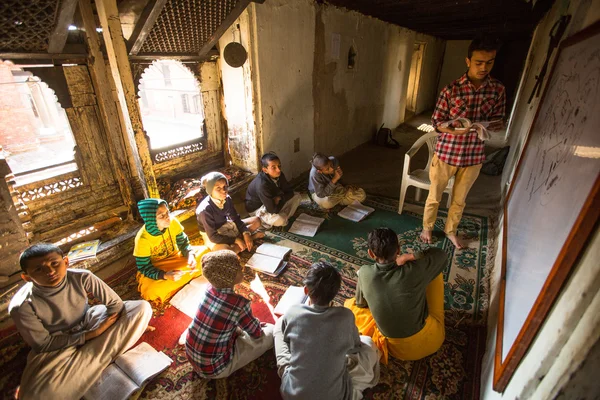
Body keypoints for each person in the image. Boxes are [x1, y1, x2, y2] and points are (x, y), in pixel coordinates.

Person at [9, 243, 152, 399]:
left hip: (87, 319)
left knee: (141, 309)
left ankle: (84, 368)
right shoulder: (21, 305)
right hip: (57, 341)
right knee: (35, 396)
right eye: (39, 269)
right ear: (27, 277)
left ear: (66, 262)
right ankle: (101, 355)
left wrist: (104, 324)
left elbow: (115, 305)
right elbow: (43, 344)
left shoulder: (82, 276)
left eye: (54, 263)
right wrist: (92, 335)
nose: (50, 271)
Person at [422, 35, 506, 249]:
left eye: (489, 62)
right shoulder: (451, 90)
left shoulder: (497, 90)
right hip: (446, 153)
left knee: (459, 200)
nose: (484, 67)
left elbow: (499, 121)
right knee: (434, 196)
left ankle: (451, 231)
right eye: (479, 62)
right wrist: (451, 129)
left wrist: (486, 126)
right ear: (468, 61)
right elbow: (436, 122)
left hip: (473, 156)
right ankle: (427, 228)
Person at [274, 262, 380, 400]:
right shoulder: (346, 316)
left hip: (292, 394)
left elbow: (287, 340)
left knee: (279, 326)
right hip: (337, 396)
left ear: (306, 290)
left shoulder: (293, 312)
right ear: (336, 293)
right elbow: (355, 348)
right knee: (368, 344)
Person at [345, 228, 447, 363]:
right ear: (398, 250)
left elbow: (360, 304)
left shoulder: (364, 273)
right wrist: (410, 257)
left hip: (396, 350)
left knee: (351, 305)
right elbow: (441, 255)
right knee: (434, 271)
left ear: (370, 253)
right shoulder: (415, 270)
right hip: (433, 341)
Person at [185, 250, 274, 378]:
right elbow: (257, 334)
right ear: (229, 276)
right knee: (271, 331)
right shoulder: (238, 304)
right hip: (214, 369)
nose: (241, 267)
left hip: (192, 355)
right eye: (237, 267)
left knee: (234, 326)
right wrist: (259, 326)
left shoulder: (209, 288)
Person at [133, 198, 207, 303]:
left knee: (206, 253)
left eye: (167, 212)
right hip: (158, 266)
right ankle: (183, 279)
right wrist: (165, 275)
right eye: (161, 216)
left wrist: (190, 255)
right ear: (151, 220)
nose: (167, 217)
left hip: (177, 257)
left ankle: (178, 282)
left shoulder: (172, 222)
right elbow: (144, 267)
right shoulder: (142, 239)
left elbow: (183, 243)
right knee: (149, 291)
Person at [196, 171, 264, 253]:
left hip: (225, 224)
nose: (224, 191)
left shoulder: (227, 199)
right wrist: (236, 240)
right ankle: (248, 240)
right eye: (218, 188)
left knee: (256, 220)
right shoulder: (205, 210)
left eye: (225, 186)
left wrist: (246, 233)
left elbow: (236, 219)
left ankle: (243, 241)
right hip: (212, 233)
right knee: (227, 251)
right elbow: (213, 237)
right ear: (210, 191)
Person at [245, 152, 301, 229]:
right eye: (273, 167)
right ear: (265, 170)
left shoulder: (279, 175)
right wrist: (280, 201)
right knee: (280, 220)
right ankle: (264, 221)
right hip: (258, 209)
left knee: (297, 196)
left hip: (273, 202)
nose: (278, 170)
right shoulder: (262, 184)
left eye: (279, 166)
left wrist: (280, 198)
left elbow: (290, 192)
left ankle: (281, 218)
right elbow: (272, 210)